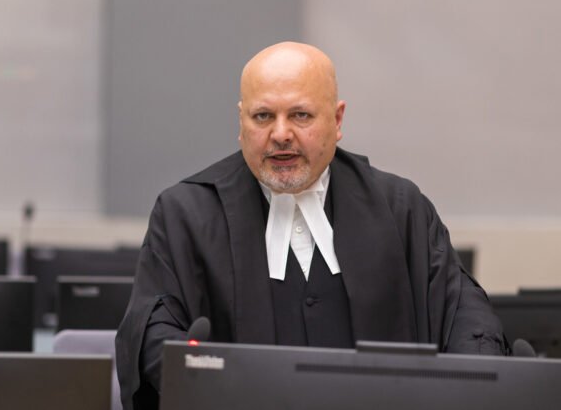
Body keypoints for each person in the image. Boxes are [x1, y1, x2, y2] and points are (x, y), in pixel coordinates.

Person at [115, 41, 508, 409]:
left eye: (300, 115)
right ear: (241, 121)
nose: (280, 134)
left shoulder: (401, 209)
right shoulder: (185, 214)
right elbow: (154, 337)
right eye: (263, 116)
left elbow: (466, 318)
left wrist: (472, 384)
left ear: (337, 119)